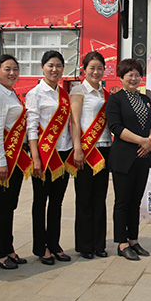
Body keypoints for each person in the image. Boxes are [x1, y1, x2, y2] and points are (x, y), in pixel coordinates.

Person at [0, 54, 33, 269]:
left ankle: (8, 248)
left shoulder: (11, 93)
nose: (12, 73)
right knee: (0, 207)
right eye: (7, 69)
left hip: (15, 158)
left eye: (15, 69)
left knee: (9, 205)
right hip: (4, 160)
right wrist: (0, 162)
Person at [26, 51, 73, 265]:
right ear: (42, 67)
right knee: (40, 202)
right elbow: (31, 128)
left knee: (57, 202)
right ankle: (40, 246)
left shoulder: (64, 94)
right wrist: (35, 158)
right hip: (44, 155)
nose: (55, 69)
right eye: (50, 65)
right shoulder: (35, 93)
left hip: (63, 153)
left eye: (59, 66)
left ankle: (54, 244)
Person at [107, 58, 151, 261]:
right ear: (121, 77)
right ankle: (122, 243)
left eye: (137, 74)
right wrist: (142, 141)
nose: (134, 78)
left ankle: (134, 240)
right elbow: (116, 128)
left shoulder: (145, 99)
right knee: (122, 202)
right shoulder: (115, 99)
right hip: (124, 158)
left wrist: (150, 139)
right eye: (130, 74)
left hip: (143, 157)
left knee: (136, 201)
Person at [67, 52, 112, 260]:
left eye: (99, 68)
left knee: (100, 198)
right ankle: (85, 245)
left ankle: (98, 244)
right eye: (92, 68)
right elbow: (75, 122)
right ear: (84, 69)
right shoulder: (78, 91)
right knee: (84, 198)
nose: (96, 72)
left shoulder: (105, 94)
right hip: (85, 150)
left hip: (104, 149)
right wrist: (77, 148)